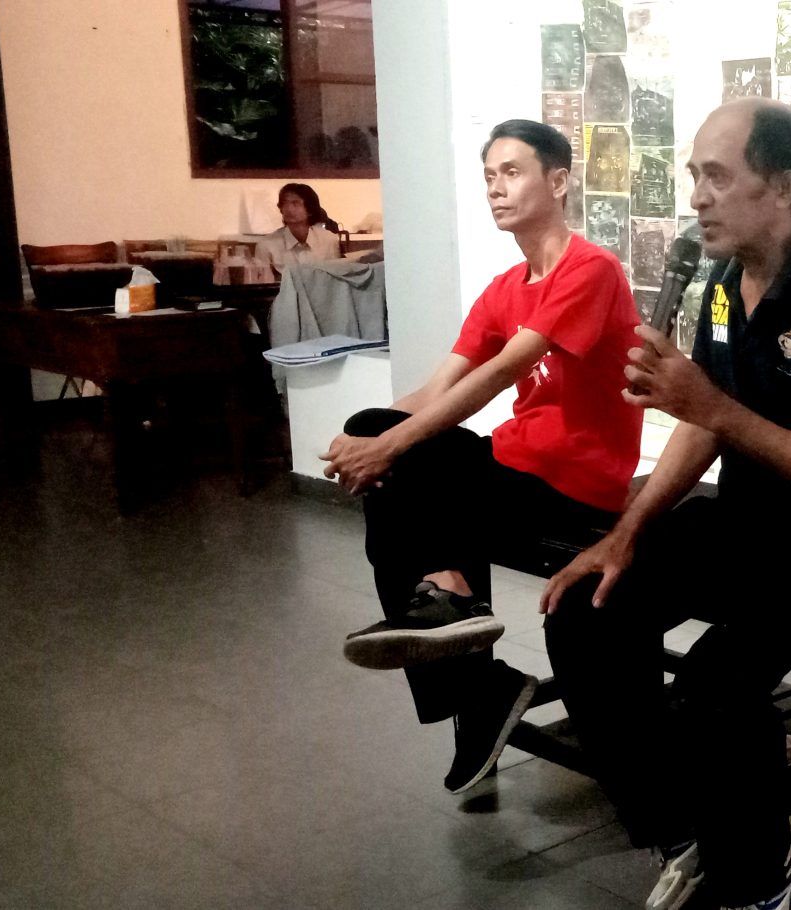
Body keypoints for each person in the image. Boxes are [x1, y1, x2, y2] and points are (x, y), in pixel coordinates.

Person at [511, 99, 791, 910]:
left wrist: (714, 407)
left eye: (718, 177)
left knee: (713, 688)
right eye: (695, 175)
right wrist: (627, 533)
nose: (697, 196)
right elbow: (704, 422)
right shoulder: (728, 284)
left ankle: (761, 873)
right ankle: (684, 828)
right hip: (755, 522)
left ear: (783, 188)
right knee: (586, 610)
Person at [322, 119, 643, 793]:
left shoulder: (592, 270)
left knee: (403, 459)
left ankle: (473, 677)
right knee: (376, 428)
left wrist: (390, 448)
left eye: (513, 172)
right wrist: (366, 441)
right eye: (490, 175)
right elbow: (436, 390)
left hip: (576, 483)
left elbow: (501, 372)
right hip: (514, 466)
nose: (496, 188)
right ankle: (469, 659)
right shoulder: (504, 287)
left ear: (558, 181)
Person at [260, 183, 343, 270]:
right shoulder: (266, 245)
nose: (289, 209)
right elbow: (262, 277)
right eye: (284, 203)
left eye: (295, 203)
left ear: (310, 210)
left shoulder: (329, 240)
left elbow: (335, 275)